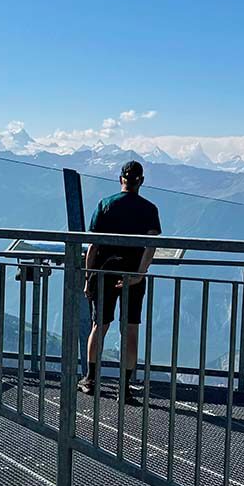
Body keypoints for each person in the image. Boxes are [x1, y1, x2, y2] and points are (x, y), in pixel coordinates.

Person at [78, 160, 161, 400]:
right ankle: (124, 387)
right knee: (131, 329)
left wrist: (87, 278)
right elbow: (151, 245)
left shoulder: (106, 204)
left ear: (120, 179)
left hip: (104, 272)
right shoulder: (150, 209)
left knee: (99, 325)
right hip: (133, 274)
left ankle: (91, 379)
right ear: (141, 181)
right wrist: (139, 274)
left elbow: (93, 246)